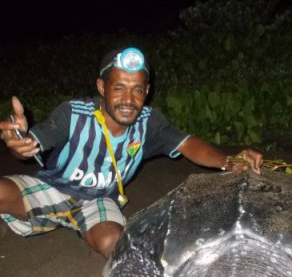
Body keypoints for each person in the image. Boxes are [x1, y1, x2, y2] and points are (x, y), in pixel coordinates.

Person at [0, 46, 263, 259]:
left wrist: (228, 161)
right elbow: (30, 146)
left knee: (113, 242)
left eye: (137, 89)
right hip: (53, 188)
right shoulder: (74, 113)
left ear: (146, 92)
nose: (128, 99)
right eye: (119, 88)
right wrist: (18, 143)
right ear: (102, 87)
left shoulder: (149, 123)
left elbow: (188, 144)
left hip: (98, 201)